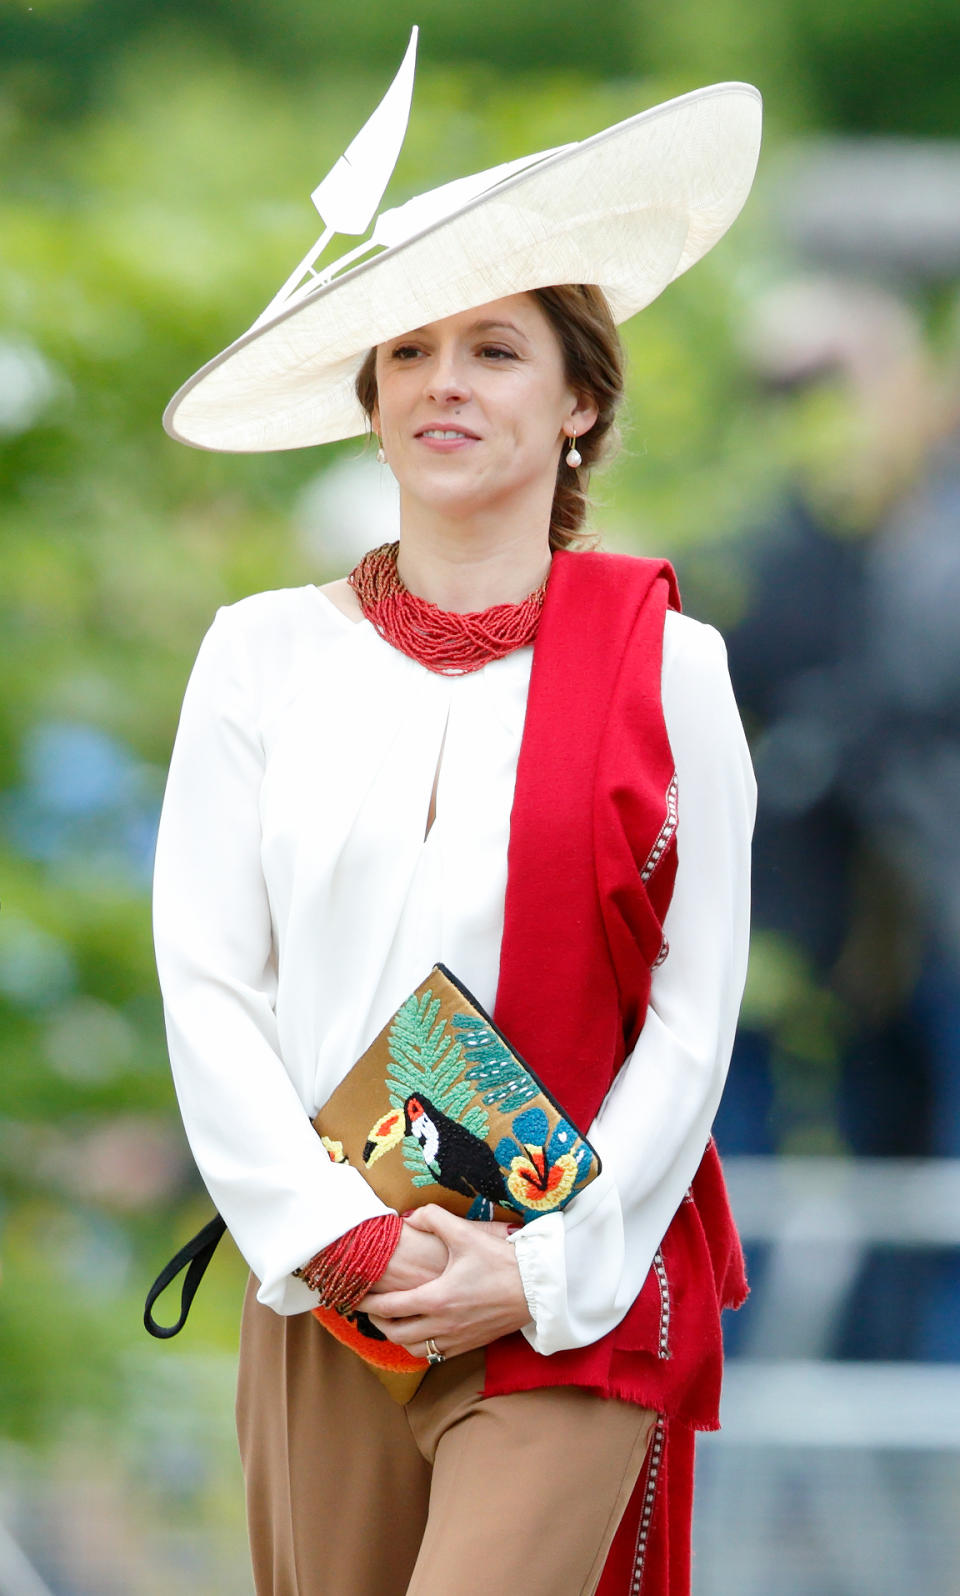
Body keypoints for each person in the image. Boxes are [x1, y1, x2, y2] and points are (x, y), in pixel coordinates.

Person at [152, 47, 761, 1596]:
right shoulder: (260, 654)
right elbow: (211, 982)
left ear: (579, 404)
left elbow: (693, 1020)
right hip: (325, 1286)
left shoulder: (670, 668)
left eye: (495, 349)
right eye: (408, 350)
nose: (443, 381)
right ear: (368, 404)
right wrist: (336, 1239)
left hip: (568, 1286)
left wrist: (539, 1267)